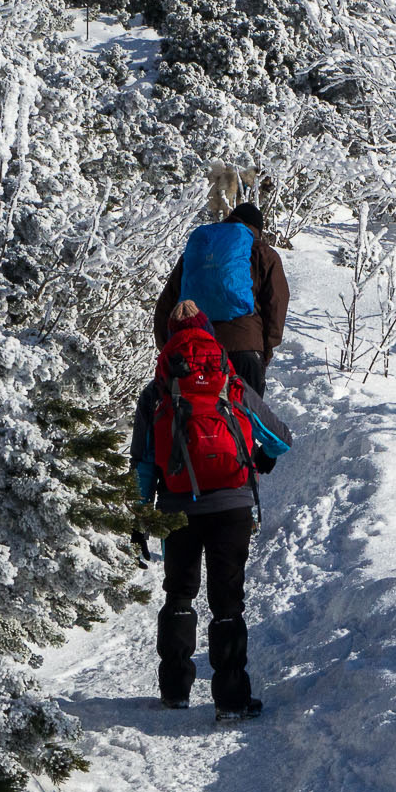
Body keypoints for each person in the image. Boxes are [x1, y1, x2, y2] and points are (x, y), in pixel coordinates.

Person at [133, 301, 294, 721]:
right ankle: (232, 700)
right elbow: (280, 438)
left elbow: (144, 464)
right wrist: (261, 460)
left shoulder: (156, 392)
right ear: (210, 335)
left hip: (176, 508)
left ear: (169, 340)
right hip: (231, 504)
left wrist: (140, 516)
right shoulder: (231, 382)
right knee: (227, 603)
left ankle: (175, 692)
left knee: (179, 594)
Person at [155, 203, 288, 394]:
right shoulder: (263, 252)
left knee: (200, 417)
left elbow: (167, 303)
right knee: (245, 419)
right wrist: (265, 347)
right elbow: (276, 303)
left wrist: (168, 345)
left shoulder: (197, 252)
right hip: (245, 347)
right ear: (256, 228)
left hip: (195, 351)